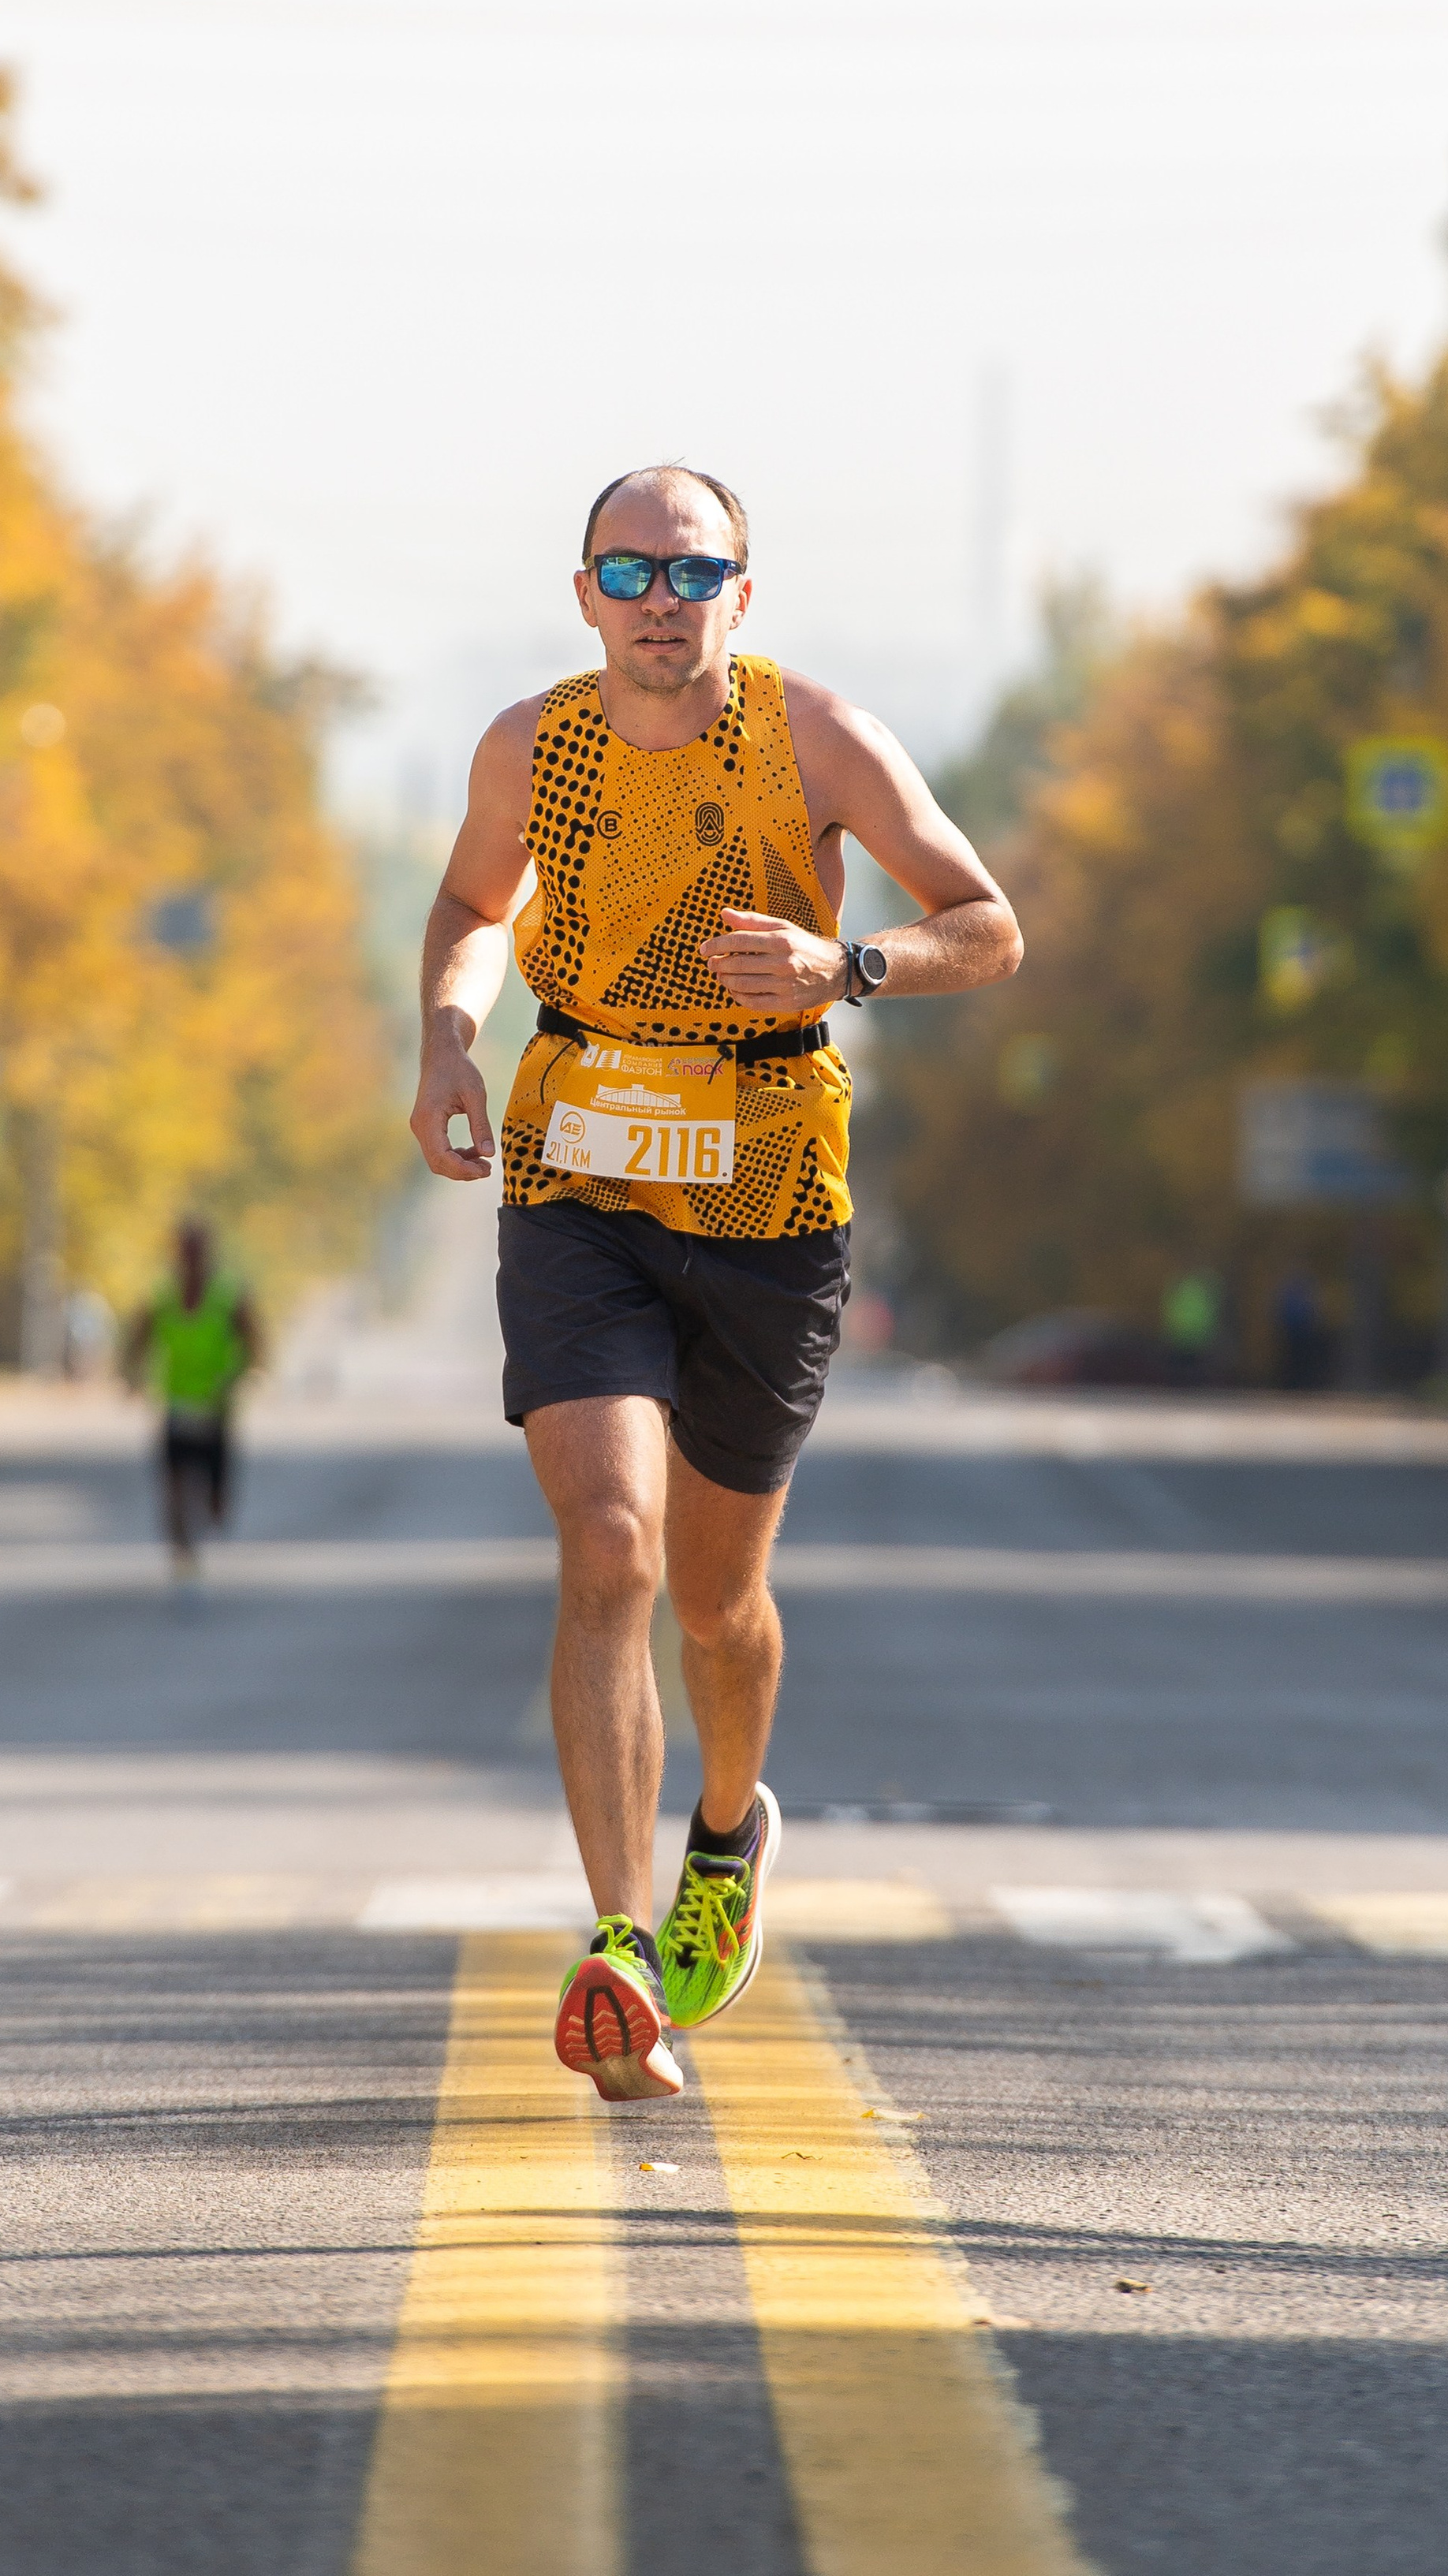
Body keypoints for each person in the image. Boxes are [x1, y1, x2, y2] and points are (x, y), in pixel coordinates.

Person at [409, 465, 1022, 2101]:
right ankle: (619, 1942)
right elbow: (474, 907)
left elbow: (988, 923)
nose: (661, 597)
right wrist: (448, 1034)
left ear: (740, 595)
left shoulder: (815, 735)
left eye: (694, 572)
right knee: (603, 1537)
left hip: (765, 1191)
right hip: (578, 1171)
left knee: (710, 1601)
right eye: (632, 569)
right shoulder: (529, 749)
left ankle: (727, 1832)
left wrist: (854, 963)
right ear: (585, 593)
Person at [125, 1221, 262, 1589]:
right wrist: (131, 1374)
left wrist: (245, 1373)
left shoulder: (227, 1294)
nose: (190, 1259)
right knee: (172, 1488)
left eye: (196, 1251)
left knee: (217, 1506)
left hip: (215, 1409)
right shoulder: (164, 1294)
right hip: (176, 1406)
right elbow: (140, 1334)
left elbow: (253, 1339)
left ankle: (211, 1509)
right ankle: (183, 1559)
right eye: (185, 1251)